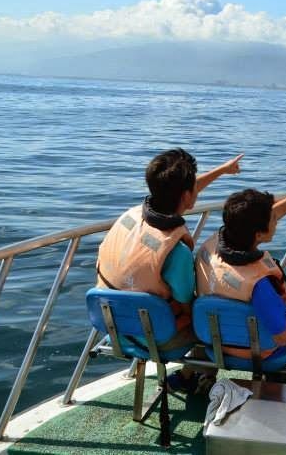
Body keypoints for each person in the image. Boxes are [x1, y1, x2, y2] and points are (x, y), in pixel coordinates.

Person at [95, 148, 243, 392]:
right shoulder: (175, 252)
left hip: (114, 326)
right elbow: (186, 305)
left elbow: (179, 191)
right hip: (155, 336)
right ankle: (195, 377)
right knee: (213, 319)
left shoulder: (129, 217)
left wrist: (222, 171)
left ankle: (188, 375)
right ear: (186, 195)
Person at [195, 170, 286, 359]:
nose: (277, 220)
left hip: (215, 345)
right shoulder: (259, 283)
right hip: (258, 352)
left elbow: (275, 212)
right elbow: (282, 337)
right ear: (259, 234)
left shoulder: (210, 246)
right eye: (273, 219)